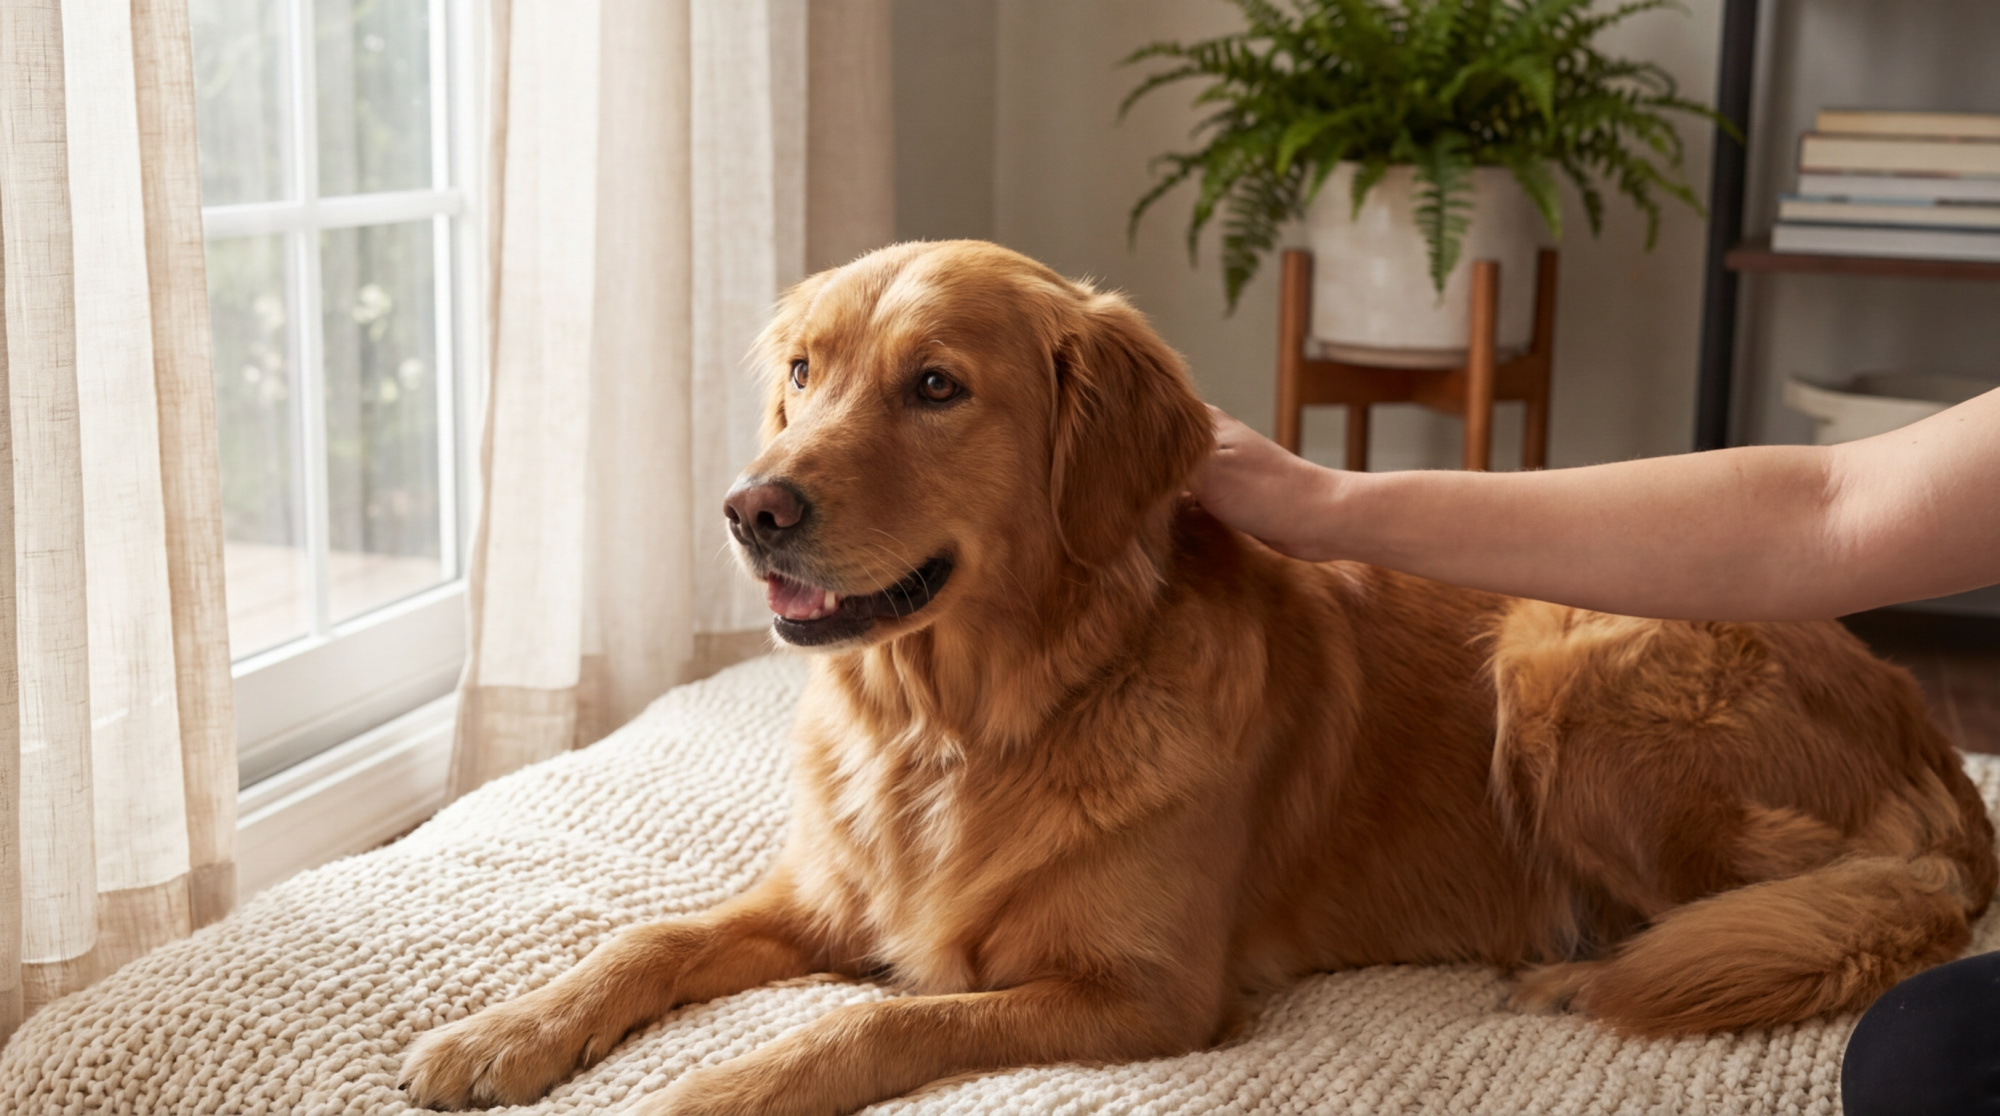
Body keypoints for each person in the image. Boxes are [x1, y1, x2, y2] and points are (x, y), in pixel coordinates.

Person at [1188, 386, 2000, 1116]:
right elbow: (1833, 505)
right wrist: (1320, 503)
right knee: (1927, 1058)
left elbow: (1140, 998)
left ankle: (1771, 887)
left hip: (1835, 785)